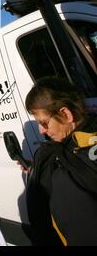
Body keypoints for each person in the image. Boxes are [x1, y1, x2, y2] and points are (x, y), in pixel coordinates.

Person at [24, 76, 97, 246]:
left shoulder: (74, 158)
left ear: (66, 114)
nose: (41, 130)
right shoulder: (65, 148)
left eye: (44, 122)